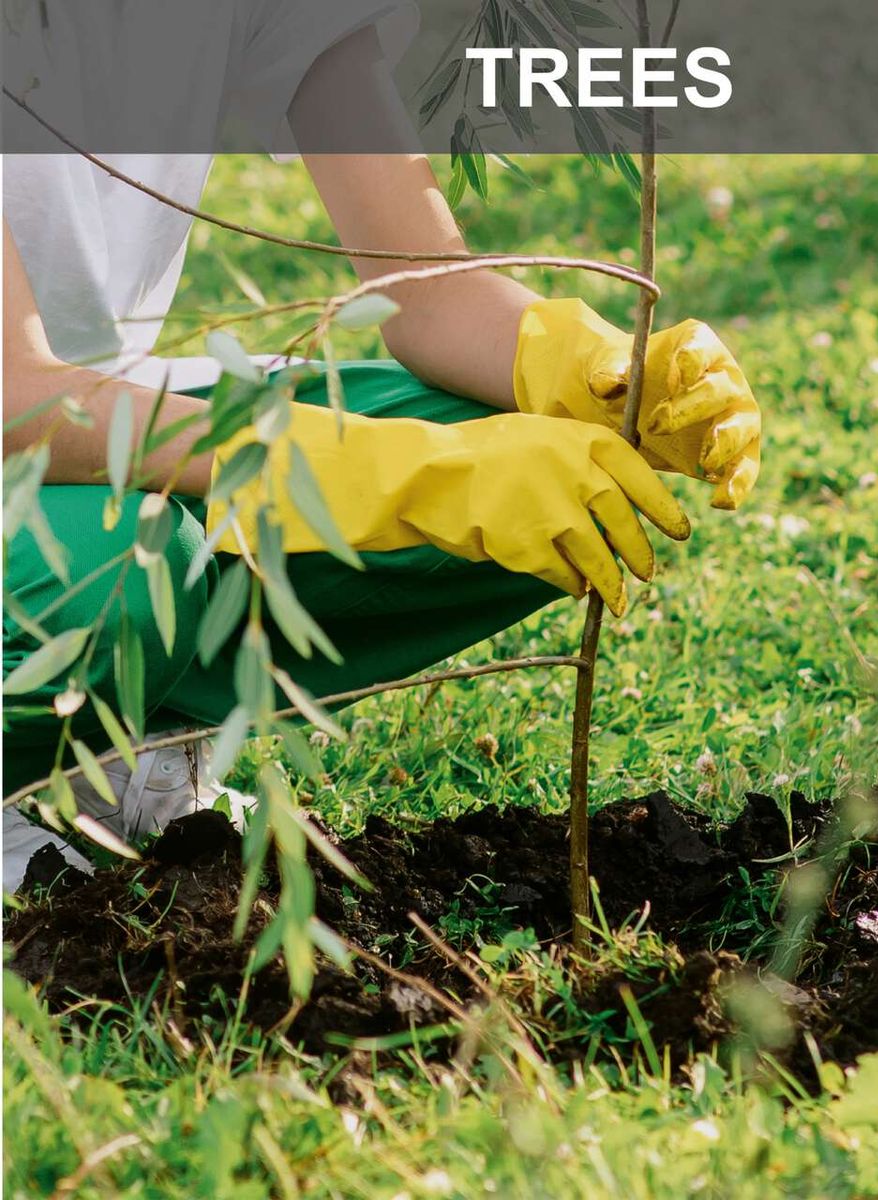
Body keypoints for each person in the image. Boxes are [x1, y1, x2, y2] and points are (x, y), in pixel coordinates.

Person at [2, 11, 761, 892]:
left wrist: (594, 373)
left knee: (552, 448)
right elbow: (18, 398)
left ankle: (112, 745)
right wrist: (367, 472)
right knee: (129, 559)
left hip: (99, 420)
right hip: (34, 424)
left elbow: (427, 293)